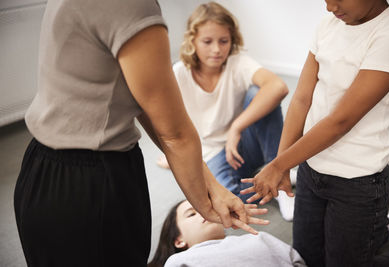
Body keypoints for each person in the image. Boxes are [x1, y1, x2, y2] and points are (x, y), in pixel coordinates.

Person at [13, 0, 269, 266]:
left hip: (39, 171)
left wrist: (210, 187)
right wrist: (205, 204)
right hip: (93, 186)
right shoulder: (130, 5)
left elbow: (147, 105)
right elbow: (176, 134)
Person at [240, 0, 389, 266]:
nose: (329, 6)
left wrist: (279, 165)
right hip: (310, 171)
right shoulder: (328, 24)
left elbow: (341, 120)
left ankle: (383, 233)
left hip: (358, 182)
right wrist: (282, 165)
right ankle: (381, 231)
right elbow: (302, 98)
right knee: (306, 257)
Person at [156, 1, 295, 221]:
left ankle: (277, 176)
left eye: (223, 41)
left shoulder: (237, 62)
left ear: (232, 40)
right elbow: (166, 118)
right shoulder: (180, 73)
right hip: (211, 152)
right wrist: (170, 151)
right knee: (229, 203)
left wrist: (236, 128)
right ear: (192, 41)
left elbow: (279, 86)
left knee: (258, 93)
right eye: (207, 41)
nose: (216, 49)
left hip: (244, 145)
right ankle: (264, 180)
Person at [148, 200, 307, 267]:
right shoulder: (178, 261)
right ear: (178, 240)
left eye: (208, 209)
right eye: (191, 214)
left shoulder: (259, 239)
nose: (204, 214)